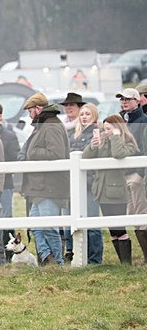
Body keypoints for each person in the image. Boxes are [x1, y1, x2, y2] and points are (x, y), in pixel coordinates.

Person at [20, 92, 70, 265]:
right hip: (41, 187)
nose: (29, 114)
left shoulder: (51, 126)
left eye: (30, 111)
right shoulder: (44, 125)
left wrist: (32, 153)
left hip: (50, 186)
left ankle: (57, 263)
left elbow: (56, 153)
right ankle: (47, 256)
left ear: (38, 108)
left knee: (49, 228)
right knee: (36, 227)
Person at [83, 114, 140, 264]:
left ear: (117, 128)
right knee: (112, 231)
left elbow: (118, 154)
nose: (105, 131)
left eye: (109, 128)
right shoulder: (103, 141)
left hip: (116, 192)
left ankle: (126, 263)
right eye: (104, 128)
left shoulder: (127, 142)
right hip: (101, 191)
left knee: (119, 229)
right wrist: (93, 145)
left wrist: (115, 136)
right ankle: (123, 263)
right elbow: (85, 157)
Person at [117, 87, 147, 262]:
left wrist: (141, 174)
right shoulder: (121, 121)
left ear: (137, 101)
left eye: (128, 99)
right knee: (134, 215)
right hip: (124, 174)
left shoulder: (143, 121)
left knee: (141, 214)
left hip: (137, 174)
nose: (124, 102)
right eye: (122, 99)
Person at [70, 104, 103, 264]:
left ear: (94, 116)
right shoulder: (74, 134)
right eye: (82, 114)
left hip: (90, 183)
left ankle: (95, 258)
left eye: (87, 114)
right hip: (76, 184)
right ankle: (82, 256)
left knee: (92, 222)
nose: (83, 116)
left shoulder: (97, 133)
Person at [0, 101, 19, 219]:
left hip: (5, 183)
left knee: (5, 215)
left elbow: (14, 158)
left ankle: (7, 238)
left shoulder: (9, 136)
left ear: (0, 116)